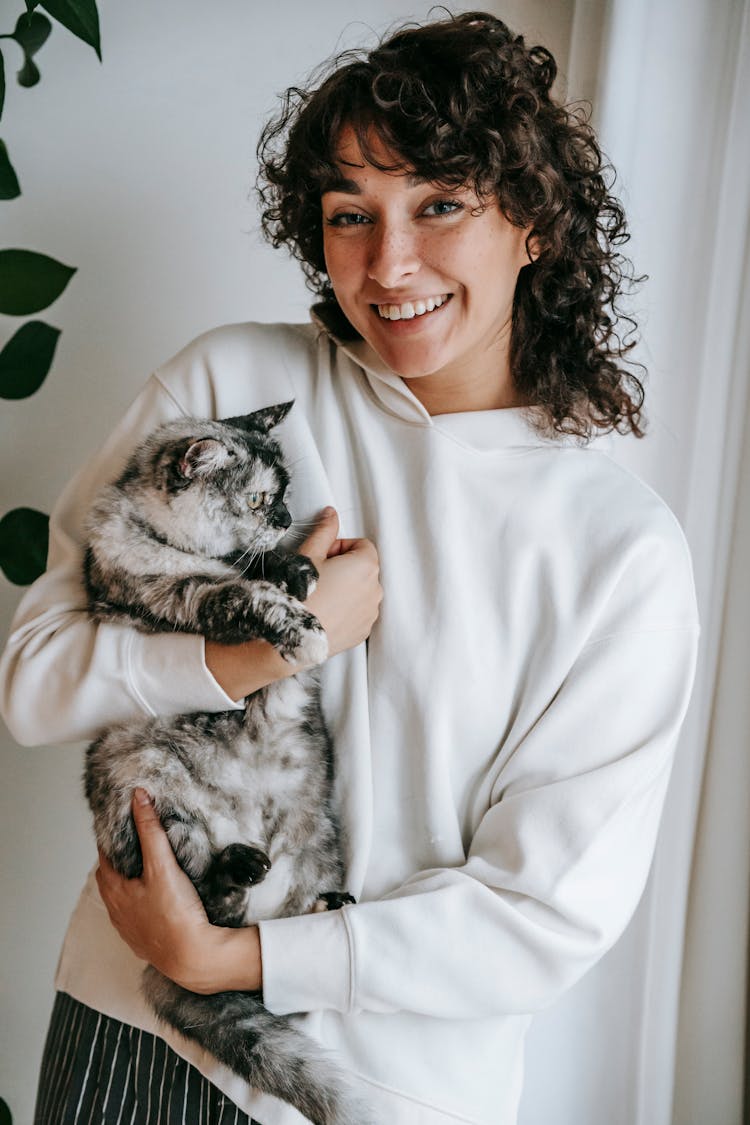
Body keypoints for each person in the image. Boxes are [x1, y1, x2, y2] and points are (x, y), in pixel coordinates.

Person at [0, 11, 699, 1125]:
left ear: (532, 222)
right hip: (139, 1045)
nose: (390, 263)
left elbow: (542, 917)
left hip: (388, 1100)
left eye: (440, 204)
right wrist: (245, 651)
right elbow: (34, 681)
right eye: (350, 216)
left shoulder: (622, 554)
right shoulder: (232, 387)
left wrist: (244, 960)